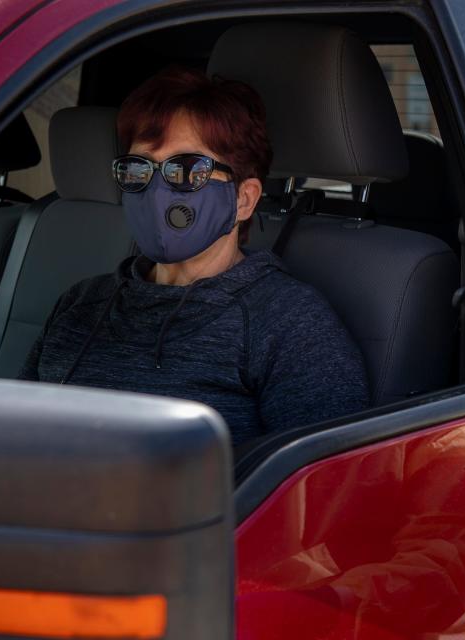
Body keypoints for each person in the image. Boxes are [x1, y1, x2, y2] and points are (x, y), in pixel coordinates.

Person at [20, 67, 369, 446]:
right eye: (139, 168)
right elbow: (10, 440)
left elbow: (323, 489)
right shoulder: (81, 304)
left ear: (244, 199)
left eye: (187, 169)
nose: (156, 190)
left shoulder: (289, 326)